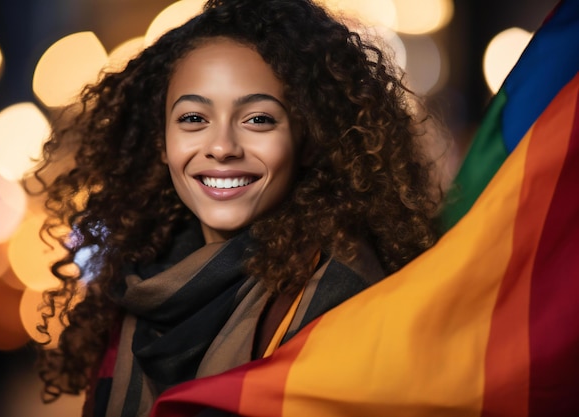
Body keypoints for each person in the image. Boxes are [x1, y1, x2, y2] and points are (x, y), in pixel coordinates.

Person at [24, 0, 445, 416]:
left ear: (308, 140)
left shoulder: (346, 303)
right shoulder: (137, 289)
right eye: (193, 119)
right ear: (162, 143)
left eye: (258, 119)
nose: (222, 147)